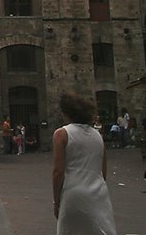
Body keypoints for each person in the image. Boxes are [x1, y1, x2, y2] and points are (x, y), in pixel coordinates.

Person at [51, 92, 116, 234]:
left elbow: (58, 171)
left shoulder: (61, 134)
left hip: (73, 192)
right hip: (98, 192)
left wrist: (56, 200)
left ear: (66, 113)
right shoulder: (97, 135)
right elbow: (103, 170)